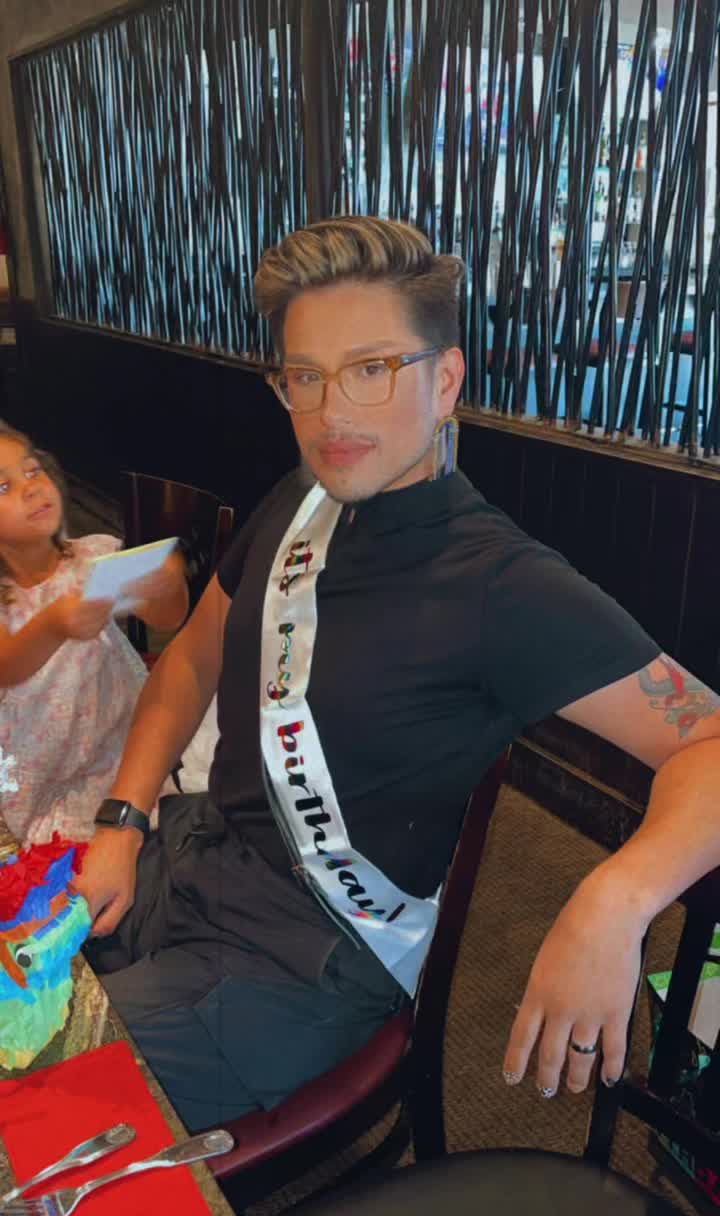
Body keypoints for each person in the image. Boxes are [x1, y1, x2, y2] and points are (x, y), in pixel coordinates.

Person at [76, 216, 720, 1133]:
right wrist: (123, 819)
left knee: (35, 1117)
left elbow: (709, 740)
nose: (331, 412)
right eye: (304, 376)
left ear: (445, 380)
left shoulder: (503, 585)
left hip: (299, 961)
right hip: (187, 853)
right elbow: (188, 661)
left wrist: (616, 898)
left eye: (372, 368)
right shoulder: (302, 498)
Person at [0, 424, 188, 845]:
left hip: (122, 739)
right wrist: (53, 625)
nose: (31, 488)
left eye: (32, 471)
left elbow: (168, 620)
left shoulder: (95, 555)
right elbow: (7, 664)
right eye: (3, 487)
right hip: (42, 771)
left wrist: (165, 585)